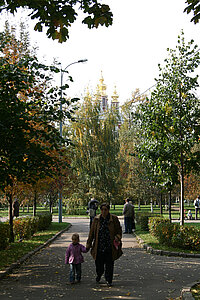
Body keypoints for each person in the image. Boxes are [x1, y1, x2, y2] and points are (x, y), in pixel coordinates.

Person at [86, 202, 122, 287]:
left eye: (105, 210)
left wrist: (118, 237)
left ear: (108, 210)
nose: (103, 211)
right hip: (99, 246)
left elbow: (119, 230)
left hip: (109, 246)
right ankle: (99, 274)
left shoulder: (114, 219)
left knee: (109, 264)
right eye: (102, 209)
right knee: (99, 264)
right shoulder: (96, 219)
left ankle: (109, 280)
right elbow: (91, 233)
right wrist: (88, 244)